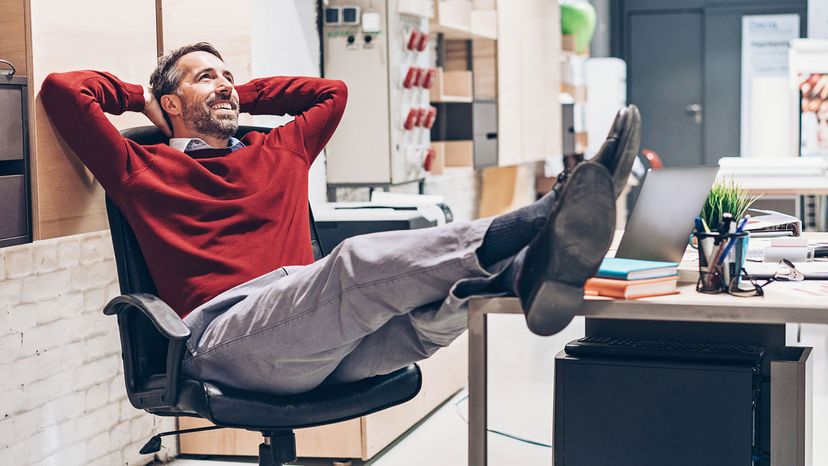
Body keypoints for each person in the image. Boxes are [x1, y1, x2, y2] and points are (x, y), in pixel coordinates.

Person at [41, 42, 640, 396]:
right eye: (207, 79)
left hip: (315, 340)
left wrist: (235, 91)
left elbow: (331, 92)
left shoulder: (279, 150)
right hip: (223, 339)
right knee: (351, 265)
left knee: (430, 320)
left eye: (229, 78)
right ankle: (538, 220)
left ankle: (518, 273)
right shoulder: (138, 166)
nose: (225, 87)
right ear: (170, 103)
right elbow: (63, 90)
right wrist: (141, 96)